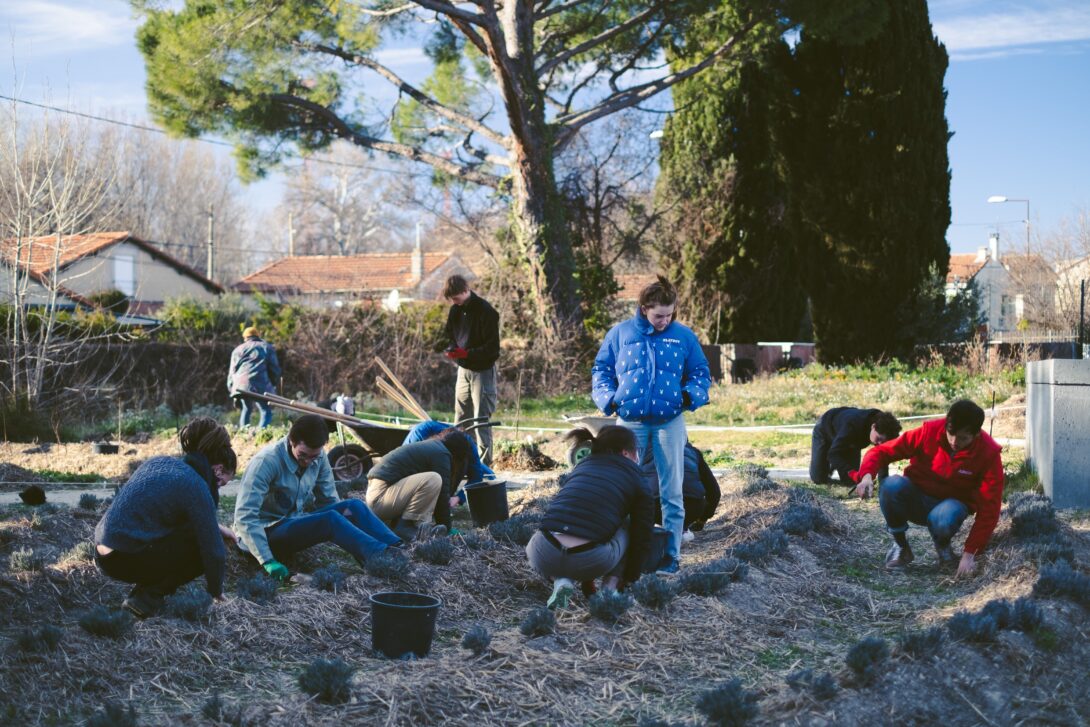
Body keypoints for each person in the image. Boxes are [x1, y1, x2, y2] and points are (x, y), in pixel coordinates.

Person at [591, 275, 711, 574]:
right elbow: (601, 369)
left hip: (670, 422)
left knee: (672, 491)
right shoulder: (620, 333)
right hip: (629, 423)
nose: (664, 321)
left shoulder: (683, 336)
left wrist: (687, 396)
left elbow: (701, 373)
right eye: (659, 315)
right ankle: (621, 553)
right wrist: (609, 399)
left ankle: (670, 556)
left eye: (670, 315)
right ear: (644, 308)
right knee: (622, 488)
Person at [94, 418, 238, 618]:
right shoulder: (195, 485)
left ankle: (140, 598)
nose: (219, 487)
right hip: (124, 556)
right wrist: (216, 592)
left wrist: (216, 526)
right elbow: (214, 552)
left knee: (187, 533)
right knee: (200, 551)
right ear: (217, 469)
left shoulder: (161, 462)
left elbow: (181, 516)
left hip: (103, 551)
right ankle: (145, 600)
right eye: (221, 483)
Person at [233, 414, 401, 580]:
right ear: (292, 441)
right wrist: (267, 560)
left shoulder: (319, 457)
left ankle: (398, 547)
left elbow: (328, 501)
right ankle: (382, 559)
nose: (307, 461)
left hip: (292, 522)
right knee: (330, 519)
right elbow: (245, 517)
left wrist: (346, 529)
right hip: (263, 533)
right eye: (303, 455)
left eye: (313, 456)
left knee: (353, 507)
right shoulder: (266, 463)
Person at [852, 400, 1003, 576]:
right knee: (890, 485)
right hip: (916, 497)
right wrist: (867, 475)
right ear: (946, 424)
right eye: (950, 433)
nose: (954, 441)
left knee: (945, 517)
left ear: (976, 434)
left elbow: (990, 508)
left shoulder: (988, 453)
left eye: (963, 438)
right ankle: (901, 547)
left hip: (951, 508)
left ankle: (943, 547)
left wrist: (970, 553)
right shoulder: (929, 432)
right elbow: (881, 451)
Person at [526, 425, 654, 609]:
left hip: (543, 553)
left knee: (569, 520)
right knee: (627, 524)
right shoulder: (636, 477)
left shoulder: (581, 467)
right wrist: (630, 578)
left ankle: (561, 580)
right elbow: (643, 534)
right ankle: (609, 590)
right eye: (636, 452)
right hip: (591, 558)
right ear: (626, 453)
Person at [365, 432, 470, 542]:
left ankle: (406, 525)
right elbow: (443, 495)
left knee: (430, 481)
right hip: (381, 498)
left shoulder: (432, 447)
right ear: (458, 453)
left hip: (379, 496)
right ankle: (406, 526)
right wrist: (446, 528)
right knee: (433, 479)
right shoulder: (441, 454)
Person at [442, 275, 500, 465]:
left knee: (480, 419)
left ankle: (484, 465)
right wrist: (451, 349)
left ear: (465, 290)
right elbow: (449, 334)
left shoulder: (486, 311)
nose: (454, 302)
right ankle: (464, 460)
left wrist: (467, 354)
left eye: (456, 298)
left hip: (482, 370)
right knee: (461, 418)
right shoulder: (455, 311)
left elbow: (492, 349)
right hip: (463, 370)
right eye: (452, 299)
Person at [643, 441, 722, 538]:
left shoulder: (643, 452)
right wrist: (702, 519)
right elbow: (714, 492)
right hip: (692, 507)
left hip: (656, 507)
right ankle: (682, 530)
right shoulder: (692, 452)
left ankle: (651, 535)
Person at [809, 407, 902, 485]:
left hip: (852, 442)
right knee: (818, 479)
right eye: (878, 439)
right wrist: (850, 471)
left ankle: (837, 466)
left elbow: (882, 455)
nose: (880, 444)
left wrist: (883, 483)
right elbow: (832, 454)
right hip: (825, 429)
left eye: (884, 442)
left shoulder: (883, 423)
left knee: (851, 483)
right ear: (873, 426)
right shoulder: (852, 426)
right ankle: (832, 467)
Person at [227, 326, 282, 429]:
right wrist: (273, 383)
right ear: (258, 335)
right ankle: (260, 434)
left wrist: (231, 388)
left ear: (245, 338)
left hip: (241, 385)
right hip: (260, 384)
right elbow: (274, 369)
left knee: (246, 409)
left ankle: (244, 435)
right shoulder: (266, 347)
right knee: (265, 410)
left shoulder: (237, 350)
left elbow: (232, 372)